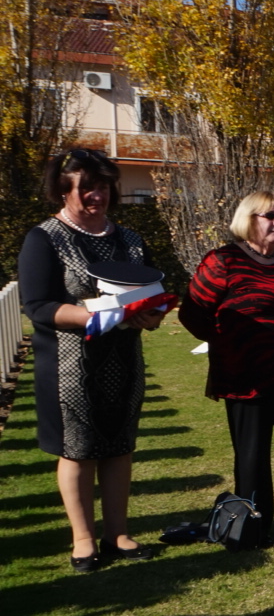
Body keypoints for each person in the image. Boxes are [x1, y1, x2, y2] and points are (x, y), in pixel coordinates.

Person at [18, 148, 168, 572]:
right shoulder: (44, 238)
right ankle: (83, 539)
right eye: (86, 188)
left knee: (120, 445)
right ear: (63, 190)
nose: (96, 196)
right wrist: (96, 316)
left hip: (125, 359)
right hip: (70, 365)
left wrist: (152, 315)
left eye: (102, 187)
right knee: (78, 449)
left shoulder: (131, 240)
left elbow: (152, 292)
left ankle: (117, 533)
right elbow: (38, 306)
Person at [179, 190, 274, 540]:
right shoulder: (223, 261)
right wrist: (228, 342)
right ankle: (254, 523)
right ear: (248, 220)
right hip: (246, 376)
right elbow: (192, 313)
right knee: (252, 456)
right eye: (270, 216)